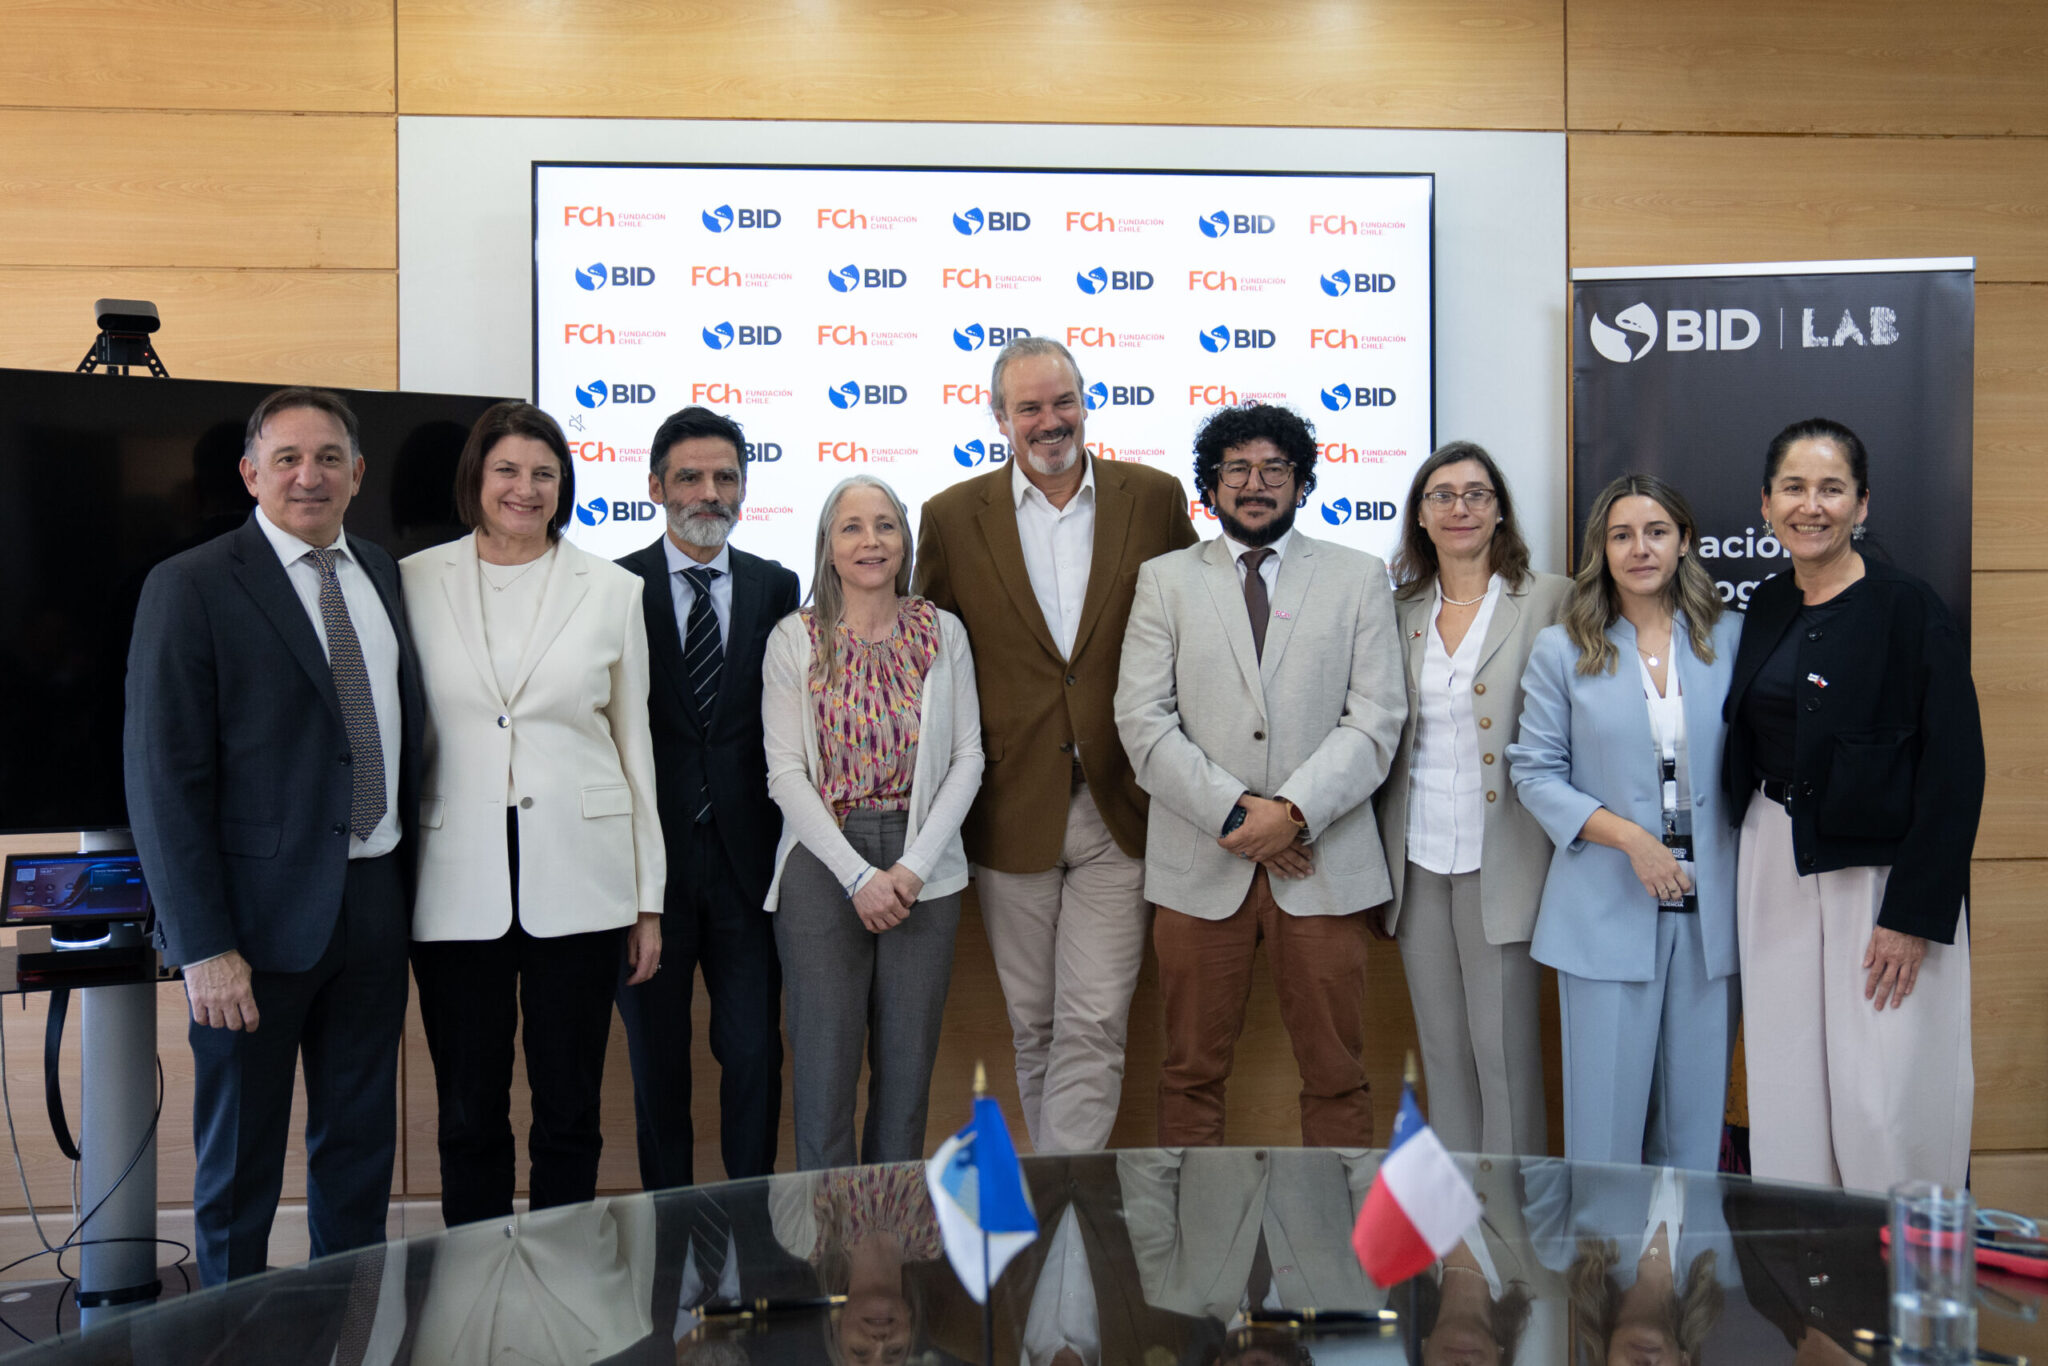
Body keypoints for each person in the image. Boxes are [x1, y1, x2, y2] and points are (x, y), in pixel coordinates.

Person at [125, 387, 422, 1285]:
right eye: (287, 458)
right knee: (239, 1168)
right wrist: (202, 946)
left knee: (360, 1154)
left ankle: (348, 1328)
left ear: (358, 473)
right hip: (248, 928)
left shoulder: (382, 571)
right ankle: (230, 1338)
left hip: (374, 900)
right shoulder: (191, 584)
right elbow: (163, 781)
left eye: (329, 458)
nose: (309, 475)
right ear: (250, 474)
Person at [912, 335, 1197, 1153]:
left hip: (1124, 804)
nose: (1050, 420)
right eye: (1029, 406)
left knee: (1094, 1019)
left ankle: (1066, 1198)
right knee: (1034, 1023)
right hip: (1008, 810)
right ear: (998, 416)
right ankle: (1058, 1198)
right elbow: (931, 661)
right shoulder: (951, 516)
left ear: (1086, 403)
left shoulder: (1153, 498)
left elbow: (1199, 630)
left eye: (1063, 401)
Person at [402, 401, 663, 1227]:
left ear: (564, 486)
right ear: (475, 479)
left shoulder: (614, 590)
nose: (526, 488)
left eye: (545, 473)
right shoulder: (412, 580)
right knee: (468, 1112)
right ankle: (475, 1278)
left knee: (570, 1110)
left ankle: (563, 1276)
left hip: (583, 880)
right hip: (453, 881)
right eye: (507, 470)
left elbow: (635, 749)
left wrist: (648, 900)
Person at [1115, 402, 1403, 1147]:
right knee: (1189, 1076)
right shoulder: (1165, 581)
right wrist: (1242, 816)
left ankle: (1334, 1227)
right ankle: (1197, 1228)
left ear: (1301, 483)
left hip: (1325, 864)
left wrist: (1293, 814)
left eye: (1275, 468)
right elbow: (1142, 721)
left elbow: (1376, 719)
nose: (1255, 483)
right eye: (1236, 468)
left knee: (1338, 1076)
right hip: (1199, 864)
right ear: (1210, 486)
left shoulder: (1357, 577)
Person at [1720, 417, 1981, 1191]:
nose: (1812, 506)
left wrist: (1913, 915)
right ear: (1765, 504)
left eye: (1831, 489)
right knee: (1788, 1083)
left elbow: (1955, 771)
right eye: (1794, 488)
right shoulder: (1768, 604)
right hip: (1774, 861)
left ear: (1862, 504)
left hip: (1881, 880)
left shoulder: (1910, 608)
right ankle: (1808, 1263)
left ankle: (1904, 1259)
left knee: (1884, 1093)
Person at [1507, 474, 1741, 1172]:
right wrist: (1633, 839)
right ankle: (1601, 1249)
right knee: (1603, 1136)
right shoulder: (1563, 648)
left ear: (1684, 542)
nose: (1640, 549)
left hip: (1711, 917)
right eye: (1622, 535)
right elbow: (1534, 773)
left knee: (1695, 1134)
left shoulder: (1731, 638)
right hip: (1605, 910)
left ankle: (1689, 1250)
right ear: (1601, 550)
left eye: (1656, 532)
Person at [762, 474, 983, 1169]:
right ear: (828, 545)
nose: (871, 541)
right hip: (824, 864)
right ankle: (830, 1237)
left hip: (923, 864)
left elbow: (968, 758)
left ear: (905, 542)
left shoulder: (942, 631)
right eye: (852, 527)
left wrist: (912, 868)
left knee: (907, 1076)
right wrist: (858, 876)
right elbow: (785, 774)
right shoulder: (794, 638)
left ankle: (890, 1234)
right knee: (824, 1075)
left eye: (885, 525)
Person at [616, 406, 798, 1189]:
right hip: (647, 871)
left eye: (726, 477)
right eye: (689, 477)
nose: (709, 493)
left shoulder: (776, 585)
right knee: (657, 1064)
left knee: (754, 1054)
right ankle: (668, 1229)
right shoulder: (613, 586)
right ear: (656, 487)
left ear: (745, 488)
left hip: (748, 865)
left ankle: (751, 1225)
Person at [1374, 440, 1568, 1157]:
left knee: (1505, 1055)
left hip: (1508, 859)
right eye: (1442, 496)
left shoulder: (1550, 600)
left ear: (1500, 511)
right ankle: (1459, 1223)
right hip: (1418, 858)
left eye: (1476, 494)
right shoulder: (1394, 610)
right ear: (1420, 516)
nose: (1460, 508)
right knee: (1444, 1052)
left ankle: (1513, 1223)